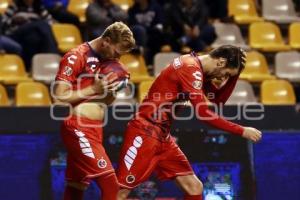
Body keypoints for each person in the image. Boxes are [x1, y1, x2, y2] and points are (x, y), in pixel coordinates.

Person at [116, 45, 262, 199]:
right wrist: (242, 130)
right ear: (220, 62)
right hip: (145, 131)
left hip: (162, 136)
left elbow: (217, 100)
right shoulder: (190, 68)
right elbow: (204, 114)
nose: (223, 78)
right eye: (226, 73)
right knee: (121, 191)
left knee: (194, 187)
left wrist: (235, 74)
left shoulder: (199, 69)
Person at [53, 22, 135, 200]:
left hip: (95, 128)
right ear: (106, 41)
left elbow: (103, 103)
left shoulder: (110, 62)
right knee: (111, 186)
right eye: (117, 52)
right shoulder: (76, 56)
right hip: (78, 127)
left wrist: (114, 90)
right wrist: (94, 89)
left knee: (77, 184)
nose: (118, 58)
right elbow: (58, 98)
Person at [2, 0, 58, 69]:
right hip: (17, 32)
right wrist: (14, 21)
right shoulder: (15, 6)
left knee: (34, 38)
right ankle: (55, 60)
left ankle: (35, 69)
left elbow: (50, 21)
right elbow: (3, 22)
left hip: (30, 35)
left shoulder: (39, 7)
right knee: (42, 24)